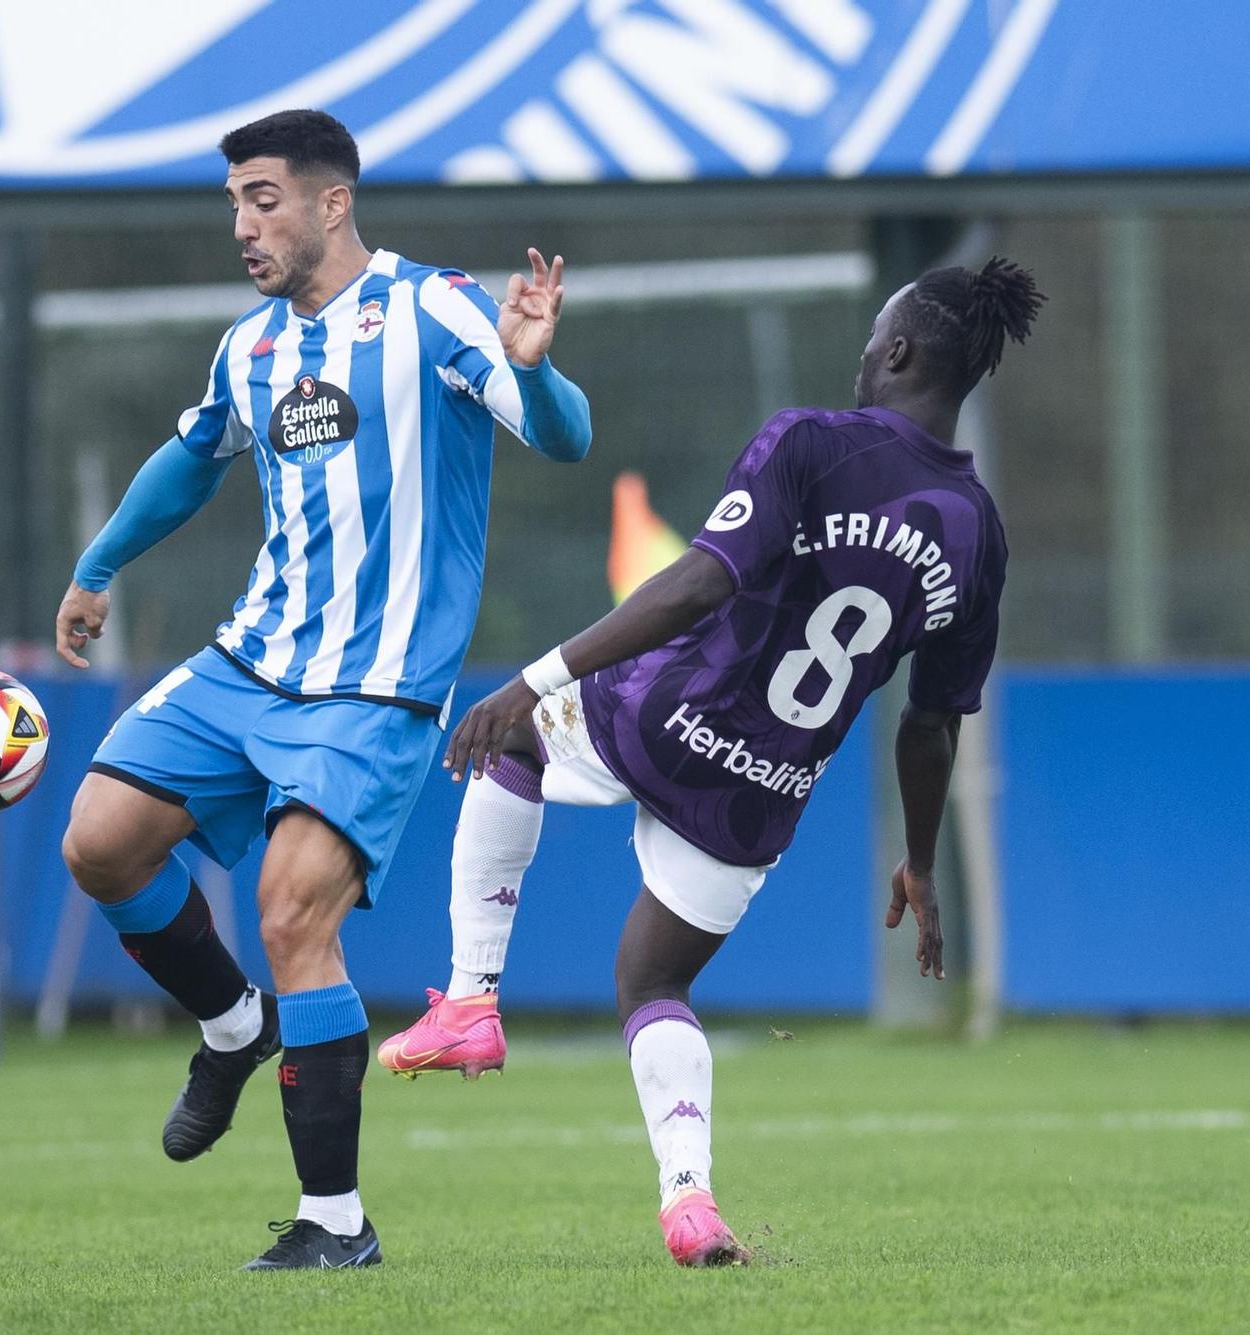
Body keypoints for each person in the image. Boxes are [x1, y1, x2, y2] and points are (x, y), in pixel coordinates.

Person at [378, 259, 1043, 1267]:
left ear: (898, 352)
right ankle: (687, 1201)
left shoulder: (812, 440)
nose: (863, 353)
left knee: (512, 733)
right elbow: (930, 720)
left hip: (666, 713)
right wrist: (917, 856)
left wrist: (534, 677)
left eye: (874, 337)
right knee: (651, 983)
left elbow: (696, 583)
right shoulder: (977, 534)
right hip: (760, 793)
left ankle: (471, 998)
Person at [54, 108, 594, 1270]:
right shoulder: (248, 346)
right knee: (97, 842)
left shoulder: (432, 309)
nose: (243, 226)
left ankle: (332, 1227)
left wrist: (536, 371)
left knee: (292, 911)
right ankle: (229, 1023)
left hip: (377, 686)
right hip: (250, 661)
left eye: (262, 199)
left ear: (330, 202)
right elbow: (193, 454)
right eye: (234, 203)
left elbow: (563, 437)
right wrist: (99, 566)